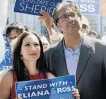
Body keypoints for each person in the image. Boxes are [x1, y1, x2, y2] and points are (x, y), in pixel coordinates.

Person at [44, 1, 106, 99]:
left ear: (80, 18)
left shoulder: (102, 49)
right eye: (65, 16)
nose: (70, 19)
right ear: (58, 24)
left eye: (73, 14)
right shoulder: (48, 55)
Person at [0, 31, 80, 99]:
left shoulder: (49, 77)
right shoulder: (9, 77)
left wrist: (72, 95)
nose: (33, 49)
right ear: (20, 51)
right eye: (27, 45)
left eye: (36, 44)